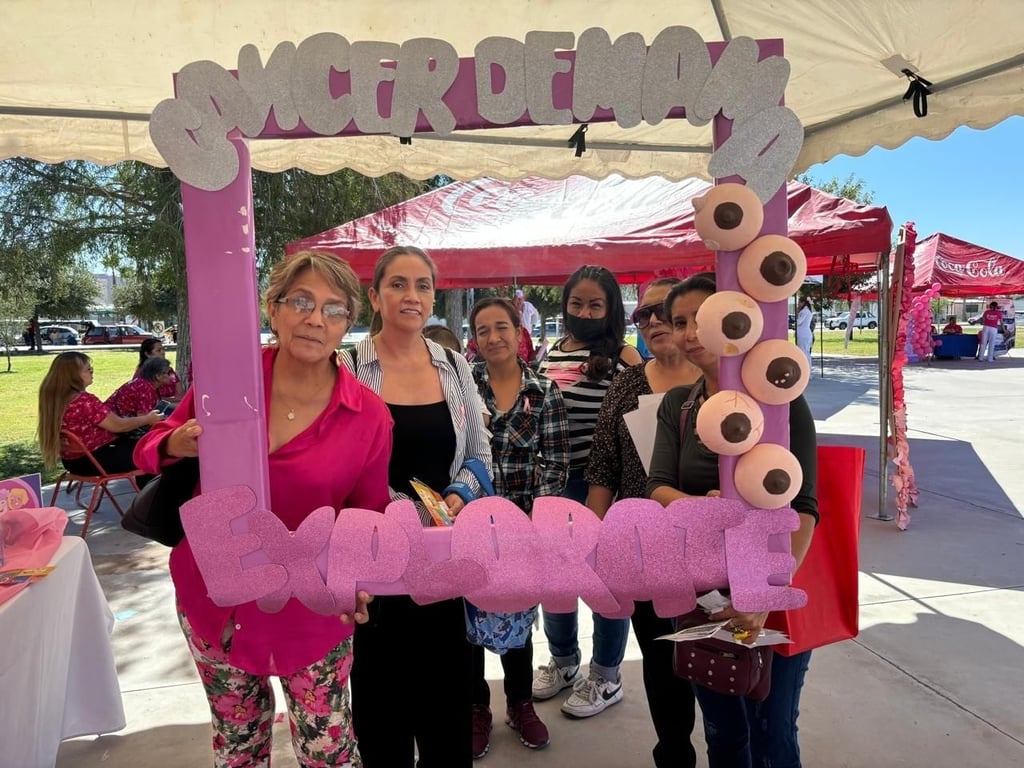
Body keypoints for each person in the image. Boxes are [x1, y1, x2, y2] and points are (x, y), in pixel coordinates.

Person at [134, 250, 392, 767]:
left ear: (349, 324)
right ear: (273, 310)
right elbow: (151, 447)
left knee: (329, 753)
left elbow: (370, 518)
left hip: (312, 612)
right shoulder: (226, 384)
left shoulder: (368, 417)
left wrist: (360, 580)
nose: (315, 318)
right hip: (217, 604)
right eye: (301, 301)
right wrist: (175, 443)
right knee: (238, 749)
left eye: (334, 308)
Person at [646, 273, 819, 768]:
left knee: (773, 736)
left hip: (774, 595)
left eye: (704, 317)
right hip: (706, 597)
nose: (692, 331)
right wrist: (708, 510)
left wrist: (764, 593)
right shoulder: (679, 407)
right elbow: (656, 486)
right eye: (681, 322)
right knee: (723, 734)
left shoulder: (781, 400)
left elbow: (804, 507)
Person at [342, 245, 492, 768]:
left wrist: (456, 496)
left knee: (446, 715)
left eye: (423, 285)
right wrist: (401, 510)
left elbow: (479, 452)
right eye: (398, 284)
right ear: (375, 296)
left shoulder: (453, 365)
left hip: (443, 561)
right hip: (374, 563)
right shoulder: (346, 367)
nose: (411, 295)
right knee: (381, 719)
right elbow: (337, 464)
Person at [585, 277, 702, 767]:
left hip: (712, 545)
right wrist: (590, 544)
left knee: (717, 659)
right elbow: (603, 466)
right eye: (643, 316)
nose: (653, 322)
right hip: (644, 548)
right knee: (661, 660)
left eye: (665, 313)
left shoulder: (724, 381)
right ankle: (673, 753)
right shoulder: (629, 384)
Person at [533, 264, 643, 718]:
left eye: (595, 304)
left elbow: (637, 432)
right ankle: (563, 662)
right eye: (576, 303)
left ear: (611, 309)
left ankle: (606, 675)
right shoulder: (551, 352)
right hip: (553, 485)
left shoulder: (626, 357)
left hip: (604, 486)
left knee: (606, 583)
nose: (584, 311)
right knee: (556, 580)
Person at [467, 296, 570, 757]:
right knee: (467, 621)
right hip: (468, 530)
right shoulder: (463, 387)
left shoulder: (544, 392)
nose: (493, 338)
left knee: (518, 622)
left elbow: (556, 466)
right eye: (483, 330)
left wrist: (528, 528)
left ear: (518, 332)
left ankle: (520, 703)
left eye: (501, 328)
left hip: (523, 532)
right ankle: (476, 708)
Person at [37, 351, 164, 477]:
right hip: (95, 460)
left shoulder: (55, 399)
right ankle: (152, 495)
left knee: (145, 445)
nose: (92, 372)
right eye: (88, 369)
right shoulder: (84, 401)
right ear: (74, 375)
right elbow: (119, 426)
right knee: (155, 449)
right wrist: (147, 419)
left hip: (73, 461)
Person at [106, 356, 174, 418]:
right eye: (168, 373)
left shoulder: (146, 384)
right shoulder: (145, 388)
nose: (171, 376)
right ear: (158, 376)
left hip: (118, 418)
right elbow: (144, 418)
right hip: (115, 422)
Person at [135, 337, 185, 402]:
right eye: (158, 350)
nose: (163, 352)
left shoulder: (169, 370)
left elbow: (181, 394)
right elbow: (146, 398)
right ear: (147, 354)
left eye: (163, 349)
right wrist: (171, 400)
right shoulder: (142, 373)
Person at [795, 297, 813, 363]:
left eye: (799, 302)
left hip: (804, 334)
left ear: (803, 303)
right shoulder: (805, 311)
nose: (798, 304)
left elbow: (799, 322)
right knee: (803, 351)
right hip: (802, 334)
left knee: (804, 352)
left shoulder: (805, 311)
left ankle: (807, 366)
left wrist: (797, 313)